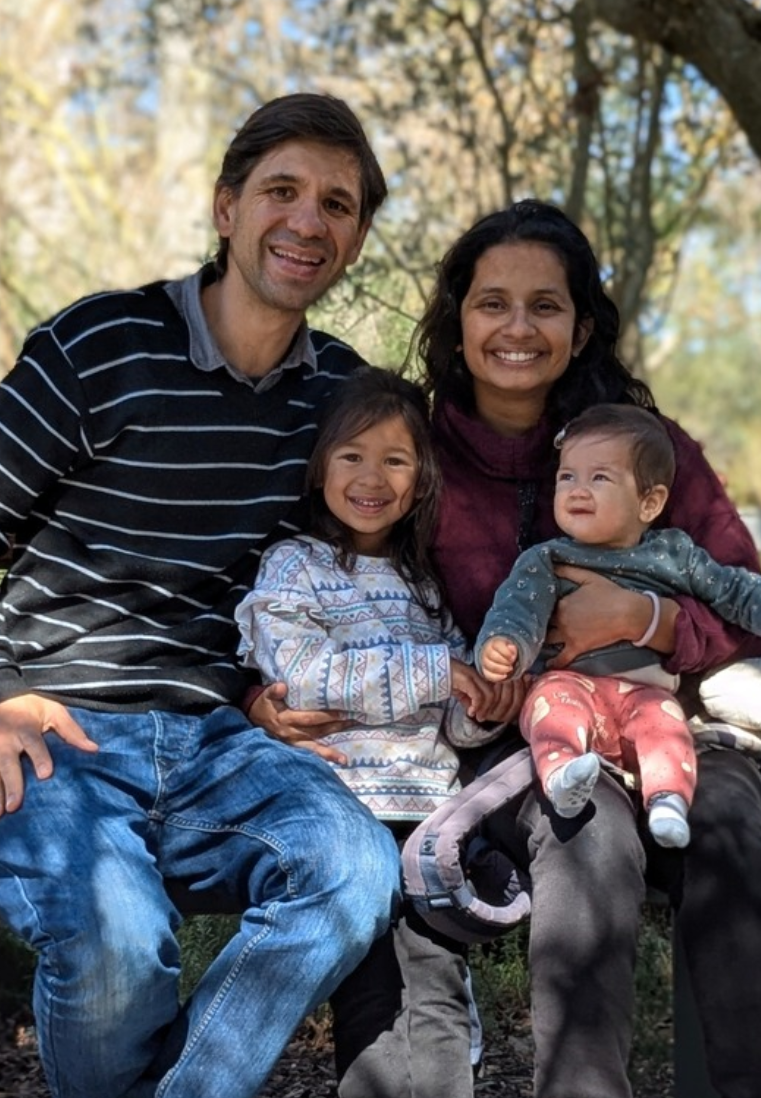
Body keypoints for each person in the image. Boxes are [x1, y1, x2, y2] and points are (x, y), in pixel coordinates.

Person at [0, 93, 403, 1098]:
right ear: (226, 208)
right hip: (56, 732)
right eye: (282, 191)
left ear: (354, 238)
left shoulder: (337, 399)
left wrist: (270, 688)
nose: (308, 221)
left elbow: (333, 575)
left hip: (222, 746)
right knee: (117, 938)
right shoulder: (101, 344)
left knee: (352, 870)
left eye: (338, 205)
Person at [418, 198, 761, 1098]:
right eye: (492, 303)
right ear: (459, 316)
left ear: (582, 324)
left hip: (682, 721)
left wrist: (647, 623)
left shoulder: (651, 451)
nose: (518, 328)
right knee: (583, 834)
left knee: (721, 824)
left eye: (546, 306)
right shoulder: (419, 455)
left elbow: (747, 601)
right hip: (526, 751)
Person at [234, 365, 522, 1097]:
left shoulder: (425, 585)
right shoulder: (293, 567)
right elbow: (302, 675)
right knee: (373, 999)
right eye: (352, 455)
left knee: (434, 988)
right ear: (320, 464)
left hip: (429, 824)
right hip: (344, 821)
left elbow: (450, 712)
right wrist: (437, 676)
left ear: (422, 479)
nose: (372, 477)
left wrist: (477, 704)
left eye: (395, 459)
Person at [476, 402, 761, 848]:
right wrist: (504, 645)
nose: (577, 490)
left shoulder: (672, 555)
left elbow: (736, 589)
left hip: (644, 694)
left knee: (666, 724)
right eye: (567, 477)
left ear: (650, 501)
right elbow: (517, 611)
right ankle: (562, 777)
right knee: (553, 707)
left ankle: (667, 800)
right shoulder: (547, 559)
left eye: (599, 478)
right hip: (570, 683)